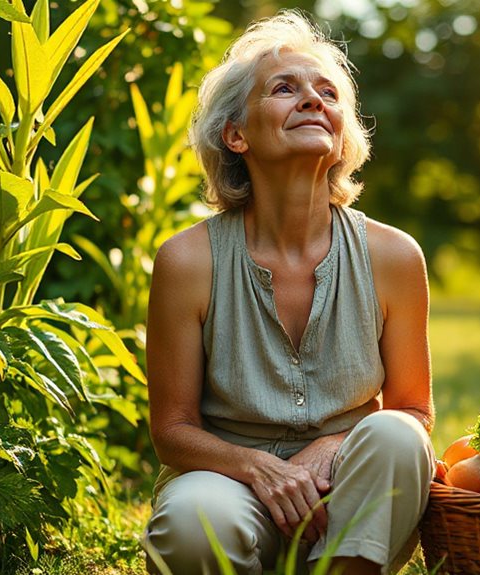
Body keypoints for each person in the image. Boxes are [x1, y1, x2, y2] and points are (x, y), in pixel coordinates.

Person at [141, 10, 434, 575]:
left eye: (327, 92)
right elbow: (172, 432)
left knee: (395, 437)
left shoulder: (394, 256)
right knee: (189, 525)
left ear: (342, 131)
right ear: (236, 134)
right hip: (229, 488)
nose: (312, 99)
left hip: (346, 492)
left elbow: (414, 411)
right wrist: (260, 468)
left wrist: (333, 446)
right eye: (284, 88)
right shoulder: (186, 261)